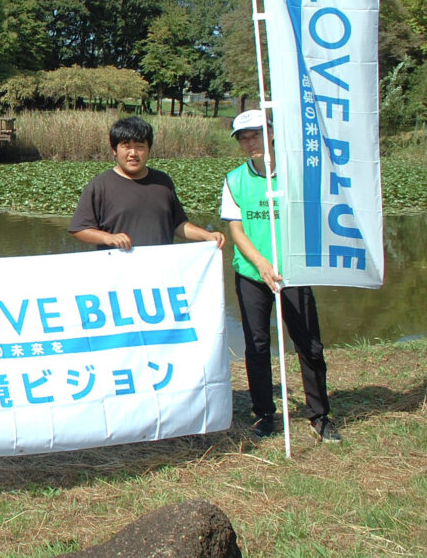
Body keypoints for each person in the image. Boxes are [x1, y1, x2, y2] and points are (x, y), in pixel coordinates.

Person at [220, 110, 341, 443]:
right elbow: (236, 228)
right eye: (244, 137)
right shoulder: (235, 180)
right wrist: (259, 263)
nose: (251, 142)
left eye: (256, 134)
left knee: (310, 345)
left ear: (271, 132)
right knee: (257, 345)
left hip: (294, 272)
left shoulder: (296, 173)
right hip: (252, 274)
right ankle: (264, 414)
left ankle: (319, 415)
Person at [68, 116, 225, 251]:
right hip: (119, 276)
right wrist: (108, 238)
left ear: (149, 149)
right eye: (126, 147)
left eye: (140, 147)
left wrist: (207, 235)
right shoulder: (100, 185)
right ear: (114, 150)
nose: (133, 153)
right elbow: (79, 229)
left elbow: (178, 225)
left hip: (160, 275)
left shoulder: (163, 182)